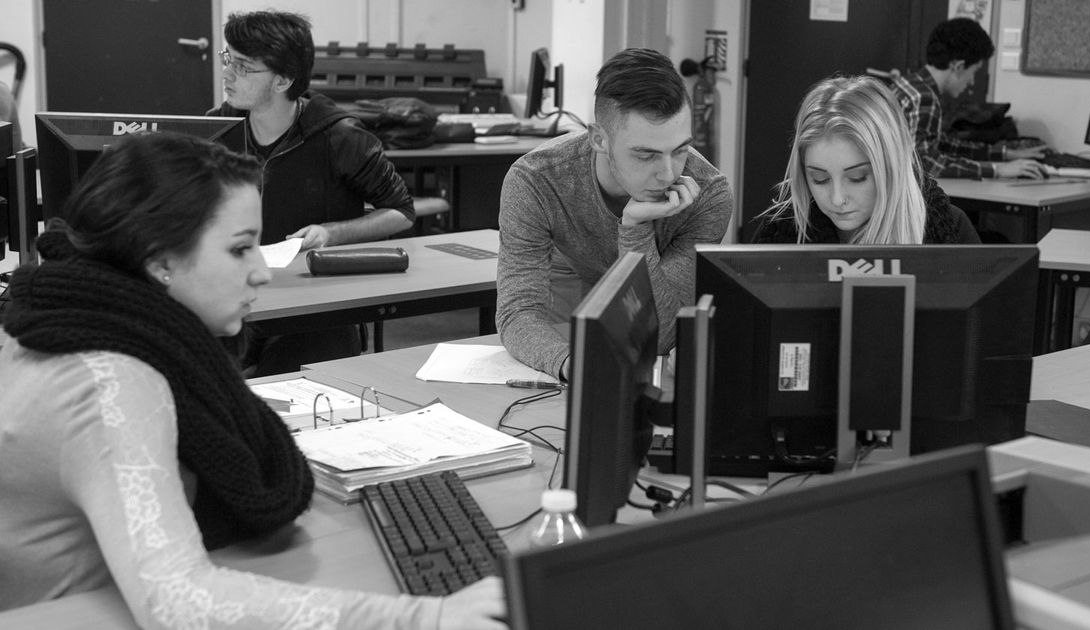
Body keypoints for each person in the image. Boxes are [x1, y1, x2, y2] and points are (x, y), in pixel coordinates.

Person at [0, 132, 504, 629]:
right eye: (241, 249)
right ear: (159, 260)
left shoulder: (70, 325)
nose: (262, 273)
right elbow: (179, 601)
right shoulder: (111, 384)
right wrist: (426, 616)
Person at [496, 48, 733, 380]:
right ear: (598, 139)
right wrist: (570, 363)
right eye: (645, 155)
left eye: (679, 150)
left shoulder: (708, 194)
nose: (667, 174)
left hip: (651, 293)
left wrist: (636, 228)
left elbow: (662, 335)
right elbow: (518, 312)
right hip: (571, 273)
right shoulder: (536, 179)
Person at [209, 10, 416, 375]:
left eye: (243, 66)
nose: (227, 73)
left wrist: (332, 233)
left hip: (314, 301)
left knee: (291, 378)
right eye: (229, 59)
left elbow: (401, 211)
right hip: (237, 290)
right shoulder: (216, 130)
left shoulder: (341, 136)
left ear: (283, 80)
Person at [754, 75, 981, 245]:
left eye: (857, 178)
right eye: (819, 179)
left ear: (891, 167)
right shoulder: (779, 231)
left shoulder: (948, 229)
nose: (837, 199)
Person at [889, 17, 1046, 180]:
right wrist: (996, 170)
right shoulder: (924, 97)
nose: (971, 81)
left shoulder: (908, 84)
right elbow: (925, 164)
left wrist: (1005, 154)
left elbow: (941, 144)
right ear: (958, 66)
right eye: (974, 72)